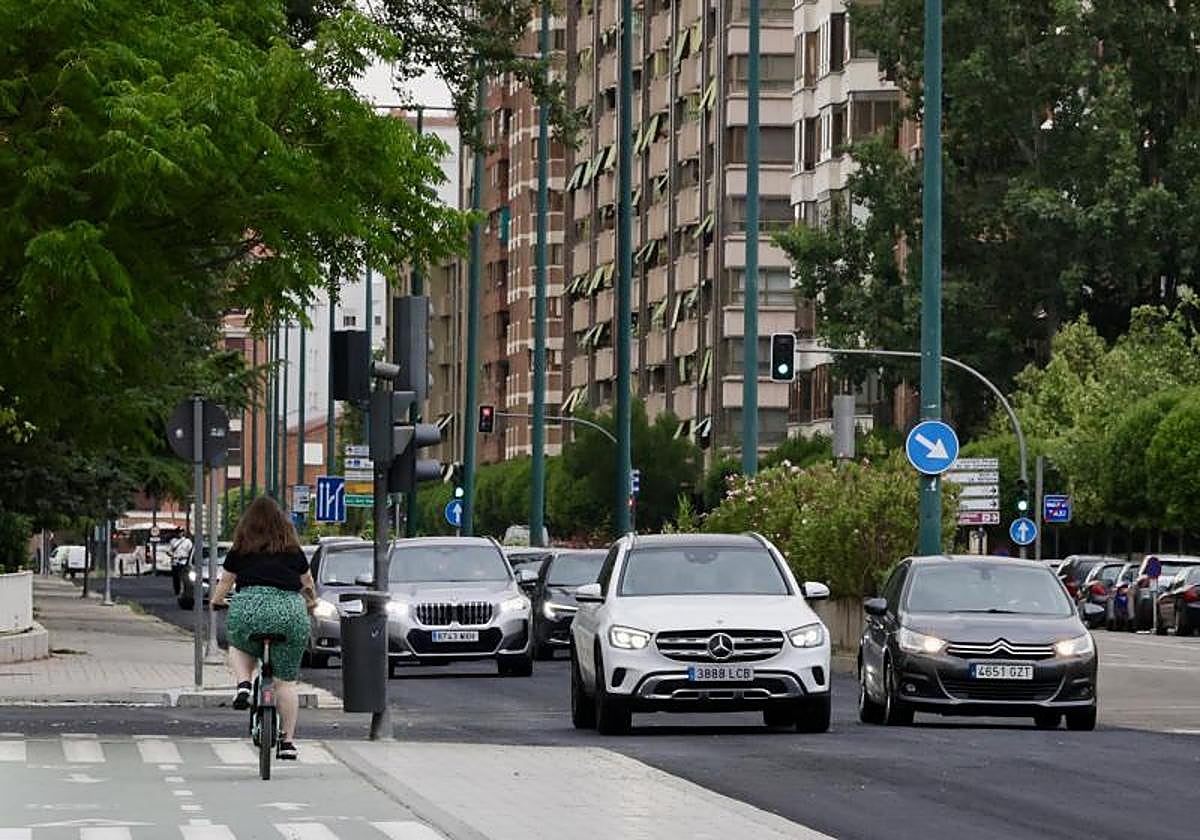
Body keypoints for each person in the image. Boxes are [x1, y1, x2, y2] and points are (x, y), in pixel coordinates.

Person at [210, 497, 316, 761]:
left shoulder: (241, 549)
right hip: (288, 612)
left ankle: (244, 684)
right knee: (286, 682)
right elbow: (308, 582)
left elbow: (224, 584)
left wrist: (217, 601)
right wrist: (311, 602)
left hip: (249, 608)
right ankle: (288, 742)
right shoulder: (292, 550)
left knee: (238, 644)